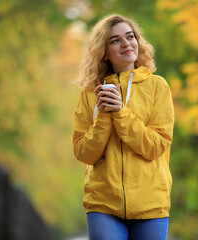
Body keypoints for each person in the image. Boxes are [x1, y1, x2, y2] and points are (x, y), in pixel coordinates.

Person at [73, 14, 175, 240]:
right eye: (115, 40)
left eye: (130, 37)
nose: (126, 43)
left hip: (151, 203)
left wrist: (121, 113)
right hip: (103, 203)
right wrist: (103, 117)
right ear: (104, 52)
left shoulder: (158, 87)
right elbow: (84, 153)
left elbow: (155, 146)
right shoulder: (91, 93)